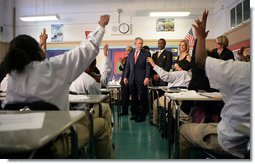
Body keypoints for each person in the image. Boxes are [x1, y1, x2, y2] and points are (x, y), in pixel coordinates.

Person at [1, 15, 114, 159]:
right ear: (37, 51)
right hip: (53, 144)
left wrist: (42, 43)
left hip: (18, 146)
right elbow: (86, 50)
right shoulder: (53, 69)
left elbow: (36, 63)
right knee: (102, 125)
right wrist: (101, 25)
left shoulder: (10, 78)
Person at [179, 10, 250, 159]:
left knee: (183, 131)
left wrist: (200, 37)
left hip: (235, 141)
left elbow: (199, 60)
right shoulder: (239, 67)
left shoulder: (242, 70)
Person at [147, 57, 191, 126]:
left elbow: (166, 76)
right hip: (184, 101)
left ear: (180, 67)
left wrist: (153, 64)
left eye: (177, 66)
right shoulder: (190, 75)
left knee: (155, 102)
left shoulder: (178, 73)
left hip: (172, 100)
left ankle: (155, 121)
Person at [123, 37, 151, 122]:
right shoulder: (131, 53)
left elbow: (148, 67)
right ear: (135, 44)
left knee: (142, 97)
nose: (140, 45)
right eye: (138, 43)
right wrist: (125, 76)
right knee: (134, 98)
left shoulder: (146, 53)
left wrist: (147, 77)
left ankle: (142, 116)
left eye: (141, 43)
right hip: (132, 79)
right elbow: (127, 66)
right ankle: (136, 114)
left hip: (142, 79)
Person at [119, 46, 134, 116]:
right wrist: (122, 64)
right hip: (124, 81)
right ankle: (124, 111)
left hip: (132, 80)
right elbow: (121, 69)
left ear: (132, 51)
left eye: (128, 50)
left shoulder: (135, 58)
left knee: (134, 97)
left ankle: (134, 112)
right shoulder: (124, 58)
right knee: (124, 97)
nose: (127, 52)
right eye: (126, 50)